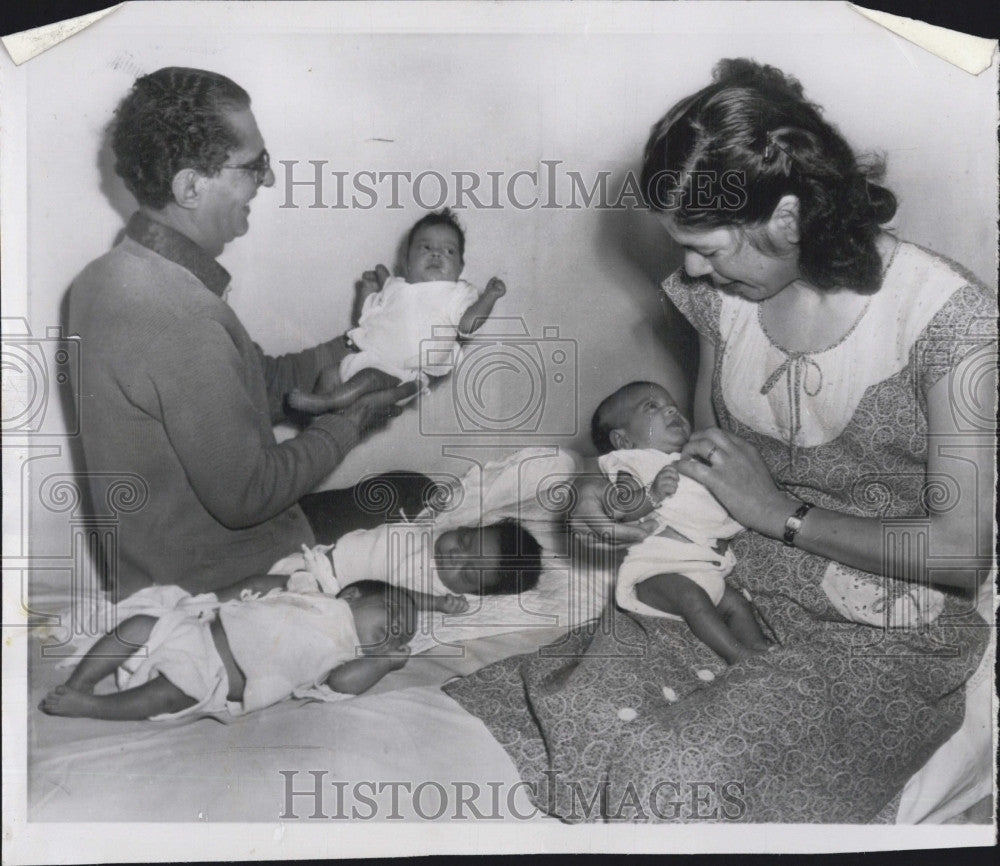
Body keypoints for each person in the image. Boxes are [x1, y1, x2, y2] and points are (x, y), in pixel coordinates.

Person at [445, 59, 994, 822]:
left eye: (708, 246)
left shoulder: (952, 324)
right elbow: (700, 459)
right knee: (561, 717)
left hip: (885, 620)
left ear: (790, 219)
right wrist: (606, 500)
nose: (690, 269)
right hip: (731, 580)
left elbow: (964, 550)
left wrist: (781, 516)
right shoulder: (720, 298)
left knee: (670, 777)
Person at [68, 68, 415, 599]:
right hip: (221, 585)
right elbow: (250, 494)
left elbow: (257, 380)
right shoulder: (176, 317)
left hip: (169, 562)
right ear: (190, 186)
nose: (270, 180)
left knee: (406, 490)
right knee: (421, 496)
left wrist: (366, 339)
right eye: (255, 167)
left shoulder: (111, 276)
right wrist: (355, 419)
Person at [39, 577, 416, 721]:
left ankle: (93, 707)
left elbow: (344, 684)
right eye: (393, 611)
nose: (397, 629)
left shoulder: (348, 653)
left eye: (402, 636)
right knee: (137, 626)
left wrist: (383, 661)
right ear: (351, 595)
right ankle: (81, 681)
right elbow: (265, 586)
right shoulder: (310, 594)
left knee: (171, 693)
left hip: (216, 676)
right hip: (197, 632)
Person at [592, 381, 769, 663]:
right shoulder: (631, 461)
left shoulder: (694, 458)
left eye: (672, 404)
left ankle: (761, 647)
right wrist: (651, 495)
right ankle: (739, 656)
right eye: (652, 406)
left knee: (736, 603)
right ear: (623, 440)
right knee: (693, 600)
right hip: (658, 572)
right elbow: (620, 508)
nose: (672, 409)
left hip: (707, 568)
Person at [288, 208, 507, 414]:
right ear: (407, 261)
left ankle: (327, 402)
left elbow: (467, 324)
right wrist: (369, 290)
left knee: (367, 379)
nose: (437, 255)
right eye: (426, 248)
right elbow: (367, 318)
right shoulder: (396, 288)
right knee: (329, 375)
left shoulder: (456, 293)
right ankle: (315, 416)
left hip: (402, 372)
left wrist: (489, 298)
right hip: (369, 356)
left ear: (460, 267)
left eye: (449, 251)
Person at [276, 513, 544, 614]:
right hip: (317, 557)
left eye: (468, 572)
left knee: (275, 599)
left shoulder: (433, 586)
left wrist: (437, 604)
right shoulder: (436, 528)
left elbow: (397, 599)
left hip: (327, 587)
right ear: (465, 527)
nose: (455, 556)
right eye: (464, 541)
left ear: (475, 592)